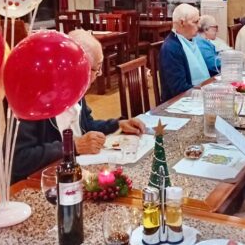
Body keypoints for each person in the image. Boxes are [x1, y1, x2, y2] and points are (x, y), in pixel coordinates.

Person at [12, 30, 146, 183]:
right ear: (78, 67)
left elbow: (87, 125)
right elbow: (19, 159)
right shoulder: (32, 99)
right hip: (45, 183)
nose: (100, 74)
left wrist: (118, 125)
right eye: (97, 68)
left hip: (76, 172)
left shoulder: (75, 89)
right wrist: (73, 147)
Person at [159, 4, 211, 102]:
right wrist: (208, 92)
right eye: (195, 22)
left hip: (195, 96)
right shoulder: (171, 48)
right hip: (176, 103)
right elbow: (179, 89)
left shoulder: (191, 40)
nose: (199, 25)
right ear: (182, 23)